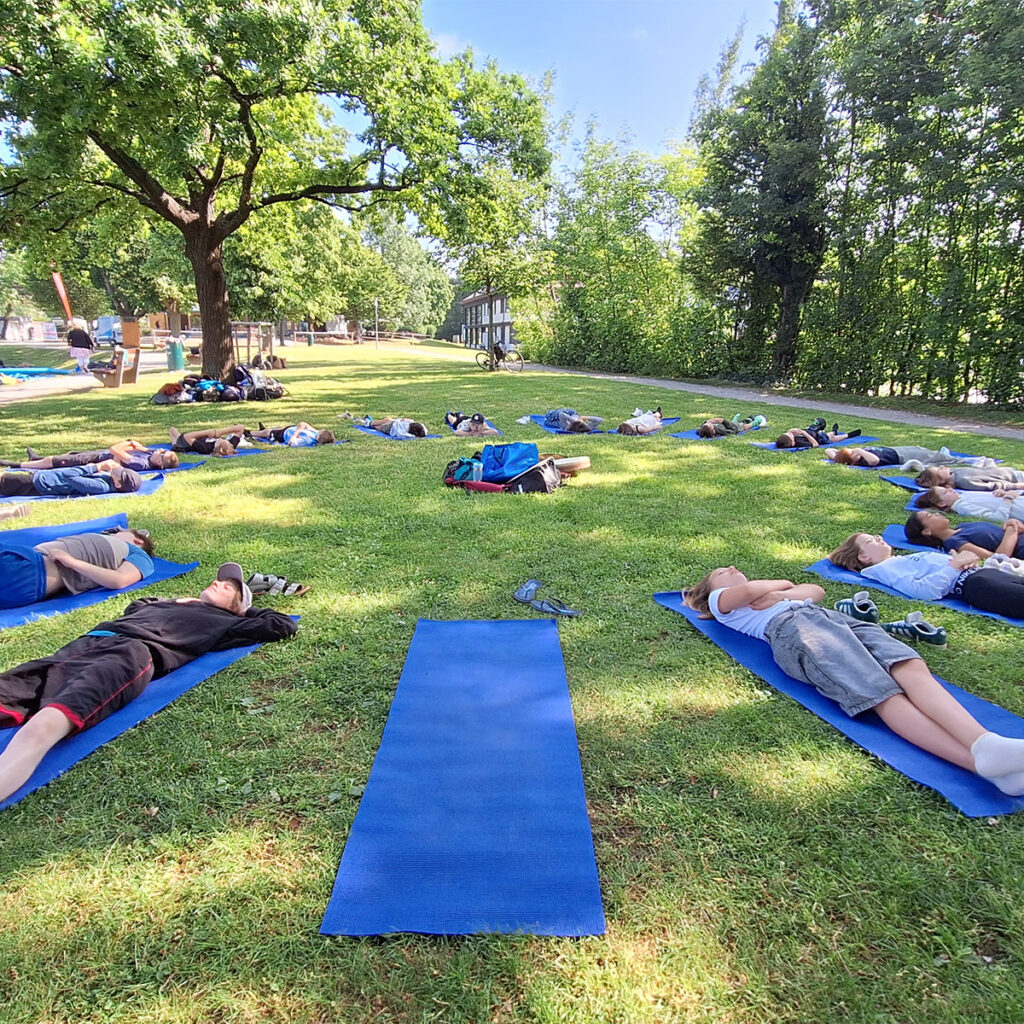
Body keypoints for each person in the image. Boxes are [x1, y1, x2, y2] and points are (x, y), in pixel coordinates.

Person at [683, 566, 1024, 795]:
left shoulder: (764, 594)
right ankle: (979, 763)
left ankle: (983, 742)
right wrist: (780, 589)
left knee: (907, 665)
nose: (731, 568)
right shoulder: (720, 602)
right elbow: (753, 589)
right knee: (880, 692)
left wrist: (780, 594)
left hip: (831, 618)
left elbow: (816, 589)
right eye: (721, 572)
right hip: (796, 630)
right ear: (711, 590)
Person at [0, 563, 298, 803]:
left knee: (42, 728)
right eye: (220, 580)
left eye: (229, 587)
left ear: (236, 606)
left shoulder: (228, 623)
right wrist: (176, 601)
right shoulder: (168, 605)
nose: (218, 583)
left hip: (127, 656)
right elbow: (136, 605)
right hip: (80, 648)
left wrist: (245, 611)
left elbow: (282, 625)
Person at [829, 532, 1024, 618]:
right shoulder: (884, 569)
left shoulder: (898, 560)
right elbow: (924, 591)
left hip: (983, 574)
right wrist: (955, 564)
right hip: (976, 584)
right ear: (863, 557)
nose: (879, 537)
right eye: (870, 541)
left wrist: (961, 558)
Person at [0, 527, 155, 609]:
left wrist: (73, 562)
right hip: (24, 566)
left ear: (138, 541)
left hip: (29, 569)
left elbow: (119, 580)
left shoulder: (139, 554)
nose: (114, 532)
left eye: (119, 531)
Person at [905, 510, 1024, 561]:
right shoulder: (954, 542)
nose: (936, 513)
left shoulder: (963, 526)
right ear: (927, 531)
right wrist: (1012, 531)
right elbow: (998, 558)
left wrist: (1012, 522)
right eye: (930, 516)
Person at [3, 439, 179, 472]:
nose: (159, 451)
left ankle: (16, 465)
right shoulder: (149, 454)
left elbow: (115, 449)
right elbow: (135, 444)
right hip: (100, 455)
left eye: (162, 454)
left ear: (160, 464)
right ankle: (36, 460)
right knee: (69, 455)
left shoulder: (142, 464)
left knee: (55, 461)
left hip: (97, 460)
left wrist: (127, 444)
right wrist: (131, 445)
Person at [0, 464, 142, 498]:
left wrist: (94, 467)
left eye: (119, 474)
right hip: (43, 478)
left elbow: (68, 476)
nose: (117, 470)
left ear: (118, 484)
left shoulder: (101, 486)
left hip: (39, 483)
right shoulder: (108, 480)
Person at [827, 445, 998, 470]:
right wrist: (859, 451)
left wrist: (839, 456)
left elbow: (829, 451)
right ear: (853, 460)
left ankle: (946, 455)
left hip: (897, 449)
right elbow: (875, 461)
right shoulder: (865, 459)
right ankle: (973, 462)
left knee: (928, 452)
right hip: (902, 456)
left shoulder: (848, 457)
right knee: (935, 457)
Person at [912, 487, 1024, 523]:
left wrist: (1000, 493)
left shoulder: (964, 495)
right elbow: (998, 518)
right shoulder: (962, 506)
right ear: (942, 503)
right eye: (945, 492)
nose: (951, 489)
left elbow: (990, 500)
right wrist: (1008, 498)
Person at [915, 465, 1024, 491]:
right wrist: (1016, 486)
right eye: (939, 470)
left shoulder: (953, 472)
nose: (942, 467)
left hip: (1008, 471)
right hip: (1014, 478)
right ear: (942, 481)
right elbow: (991, 486)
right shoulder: (963, 481)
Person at [775, 419, 862, 449]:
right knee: (831, 437)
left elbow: (789, 433)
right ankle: (847, 435)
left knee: (822, 426)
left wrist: (793, 430)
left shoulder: (793, 438)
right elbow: (815, 444)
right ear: (793, 443)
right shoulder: (799, 443)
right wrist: (803, 433)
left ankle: (834, 431)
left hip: (812, 431)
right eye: (790, 435)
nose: (790, 433)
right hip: (819, 438)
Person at [168, 425, 246, 457]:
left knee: (172, 430)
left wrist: (207, 432)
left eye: (221, 441)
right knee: (172, 430)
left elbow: (187, 436)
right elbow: (240, 428)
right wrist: (221, 432)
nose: (221, 438)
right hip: (196, 438)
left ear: (216, 447)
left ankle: (174, 443)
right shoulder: (231, 445)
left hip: (184, 444)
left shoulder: (206, 448)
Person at [249, 421, 335, 446]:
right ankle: (262, 431)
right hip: (291, 429)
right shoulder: (315, 433)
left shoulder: (307, 441)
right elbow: (303, 424)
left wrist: (294, 435)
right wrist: (298, 430)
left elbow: (291, 442)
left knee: (268, 432)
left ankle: (250, 433)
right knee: (276, 429)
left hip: (285, 435)